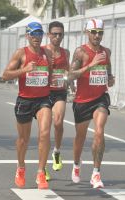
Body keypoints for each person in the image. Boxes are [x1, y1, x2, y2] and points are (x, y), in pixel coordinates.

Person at [2, 22, 52, 190]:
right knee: (23, 140)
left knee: (45, 133)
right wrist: (24, 70)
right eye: (33, 34)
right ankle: (21, 167)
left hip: (43, 99)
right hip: (24, 100)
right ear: (27, 36)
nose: (36, 37)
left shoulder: (47, 53)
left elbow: (50, 74)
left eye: (39, 34)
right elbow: (5, 75)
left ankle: (40, 172)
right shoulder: (21, 53)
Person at [67, 18, 115, 188]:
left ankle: (96, 173)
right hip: (82, 101)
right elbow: (70, 76)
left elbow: (108, 73)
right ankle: (76, 165)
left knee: (99, 131)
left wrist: (110, 79)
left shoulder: (106, 52)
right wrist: (90, 65)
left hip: (100, 98)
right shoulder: (80, 52)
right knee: (80, 137)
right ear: (87, 32)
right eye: (94, 32)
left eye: (100, 32)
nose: (97, 35)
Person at [42, 21, 75, 179]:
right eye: (54, 34)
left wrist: (71, 83)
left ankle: (56, 152)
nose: (57, 37)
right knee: (45, 130)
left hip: (60, 92)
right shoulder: (42, 51)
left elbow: (67, 71)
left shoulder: (66, 52)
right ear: (48, 35)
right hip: (43, 93)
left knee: (58, 122)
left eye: (60, 34)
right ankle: (43, 167)